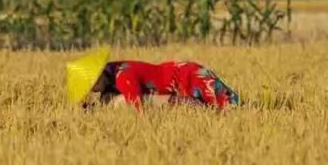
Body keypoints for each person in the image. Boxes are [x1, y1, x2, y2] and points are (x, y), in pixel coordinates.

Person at [66, 48, 241, 110]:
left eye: (93, 84)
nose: (93, 89)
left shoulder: (122, 76)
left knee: (230, 105)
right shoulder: (112, 73)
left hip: (185, 76)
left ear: (99, 74)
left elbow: (138, 105)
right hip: (176, 79)